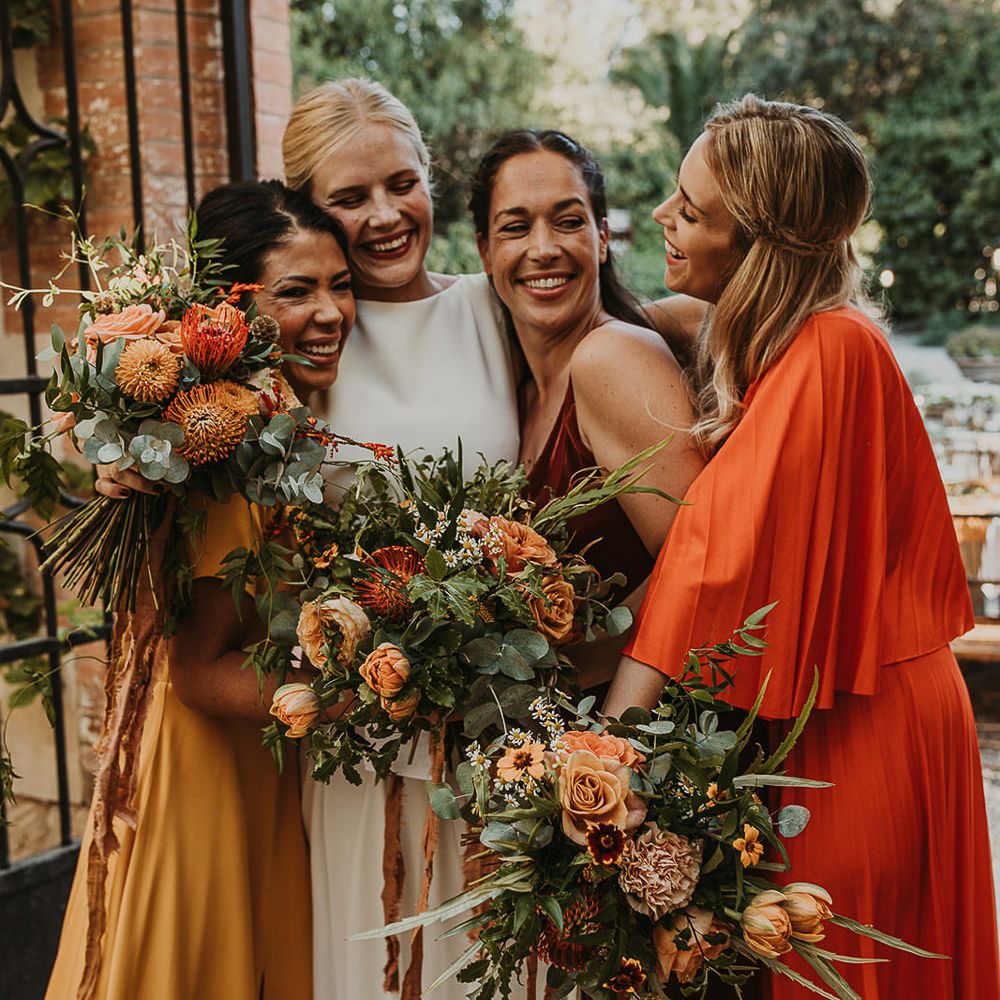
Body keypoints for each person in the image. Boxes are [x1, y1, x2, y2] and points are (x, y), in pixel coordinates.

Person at [603, 95, 1000, 998]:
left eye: (691, 211)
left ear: (758, 251)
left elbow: (714, 550)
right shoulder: (806, 340)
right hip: (849, 705)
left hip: (871, 726)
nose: (663, 218)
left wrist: (607, 743)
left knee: (843, 971)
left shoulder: (830, 351)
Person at [48, 180, 356, 1000]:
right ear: (232, 311)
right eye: (297, 291)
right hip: (202, 767)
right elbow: (199, 670)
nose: (329, 312)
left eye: (340, 284)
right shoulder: (232, 442)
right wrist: (377, 695)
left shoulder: (271, 419)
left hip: (250, 757)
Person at [281, 78, 520, 1000]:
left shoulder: (493, 307)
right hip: (366, 742)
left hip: (503, 725)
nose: (384, 216)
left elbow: (622, 330)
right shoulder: (302, 334)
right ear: (308, 209)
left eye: (401, 183)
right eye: (349, 198)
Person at [468, 129, 704, 612]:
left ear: (601, 238)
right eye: (515, 227)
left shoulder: (611, 358)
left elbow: (703, 577)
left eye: (568, 221)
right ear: (485, 253)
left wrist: (581, 668)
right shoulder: (517, 388)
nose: (543, 249)